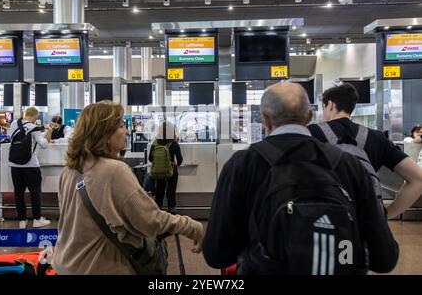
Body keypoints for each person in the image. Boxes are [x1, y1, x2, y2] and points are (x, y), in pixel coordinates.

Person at [203, 83, 398, 274]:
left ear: (265, 119)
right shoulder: (348, 164)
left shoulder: (243, 164)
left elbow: (217, 254)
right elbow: (384, 259)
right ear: (309, 116)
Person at [52, 101, 203, 275]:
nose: (126, 130)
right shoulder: (114, 170)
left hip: (66, 264)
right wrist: (191, 226)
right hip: (100, 267)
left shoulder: (69, 170)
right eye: (121, 125)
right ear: (104, 133)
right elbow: (149, 221)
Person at [308, 83, 422, 219]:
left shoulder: (311, 134)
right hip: (367, 227)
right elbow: (417, 179)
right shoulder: (376, 138)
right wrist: (385, 215)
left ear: (330, 105)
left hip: (324, 222)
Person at [9, 107, 52, 229]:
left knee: (18, 193)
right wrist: (49, 131)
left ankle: (22, 220)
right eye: (36, 118)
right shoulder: (33, 127)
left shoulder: (13, 124)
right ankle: (37, 219)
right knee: (35, 192)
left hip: (14, 164)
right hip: (30, 166)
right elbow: (44, 145)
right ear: (34, 116)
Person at [149, 121, 183, 214]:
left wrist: (160, 163)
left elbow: (150, 158)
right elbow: (180, 159)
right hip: (171, 171)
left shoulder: (155, 143)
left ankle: (157, 212)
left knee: (159, 191)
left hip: (158, 171)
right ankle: (172, 212)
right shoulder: (174, 143)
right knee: (171, 191)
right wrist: (174, 164)